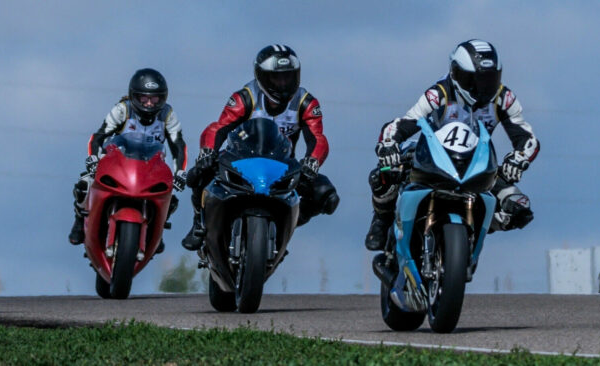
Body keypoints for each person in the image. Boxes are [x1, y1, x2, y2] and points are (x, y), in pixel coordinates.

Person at [365, 39, 540, 251]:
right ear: (456, 73)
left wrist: (518, 160)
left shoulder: (504, 98)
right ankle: (381, 220)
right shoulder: (440, 92)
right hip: (432, 157)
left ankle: (472, 232)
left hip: (476, 163)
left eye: (489, 80)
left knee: (519, 207)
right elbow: (408, 121)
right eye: (473, 80)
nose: (481, 89)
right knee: (383, 174)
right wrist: (389, 144)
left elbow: (527, 138)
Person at [181, 44, 340, 251]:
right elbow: (218, 128)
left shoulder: (306, 102)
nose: (283, 84)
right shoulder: (245, 97)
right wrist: (208, 151)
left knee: (327, 196)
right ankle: (198, 222)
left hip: (282, 166)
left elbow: (317, 138)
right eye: (276, 78)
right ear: (262, 77)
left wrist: (312, 161)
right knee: (199, 173)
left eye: (288, 77)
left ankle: (289, 222)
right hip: (240, 160)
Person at [68, 68, 188, 253]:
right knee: (84, 184)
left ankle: (157, 231)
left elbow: (178, 145)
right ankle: (79, 220)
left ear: (163, 98)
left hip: (151, 165)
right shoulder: (122, 109)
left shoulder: (168, 114)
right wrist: (93, 158)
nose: (149, 103)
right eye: (143, 98)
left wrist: (180, 172)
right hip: (118, 160)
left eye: (154, 98)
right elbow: (99, 136)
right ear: (134, 96)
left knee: (171, 198)